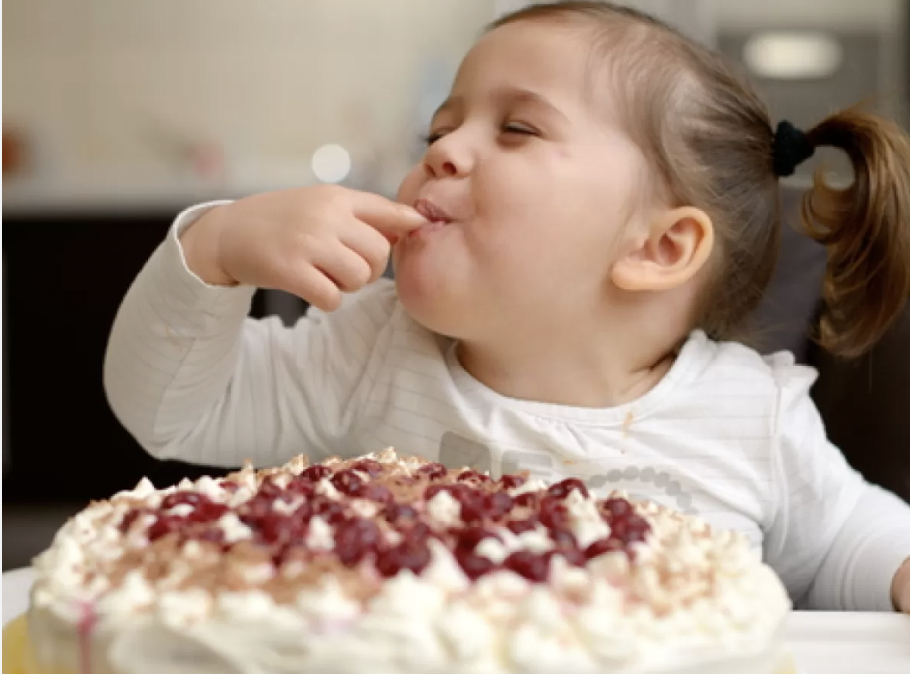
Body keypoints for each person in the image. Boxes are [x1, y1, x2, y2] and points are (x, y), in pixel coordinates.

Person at [103, 1, 910, 613]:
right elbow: (173, 411)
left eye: (517, 128)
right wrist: (213, 248)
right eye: (439, 129)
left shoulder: (749, 416)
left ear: (657, 248)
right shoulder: (372, 354)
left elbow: (849, 543)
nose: (443, 151)